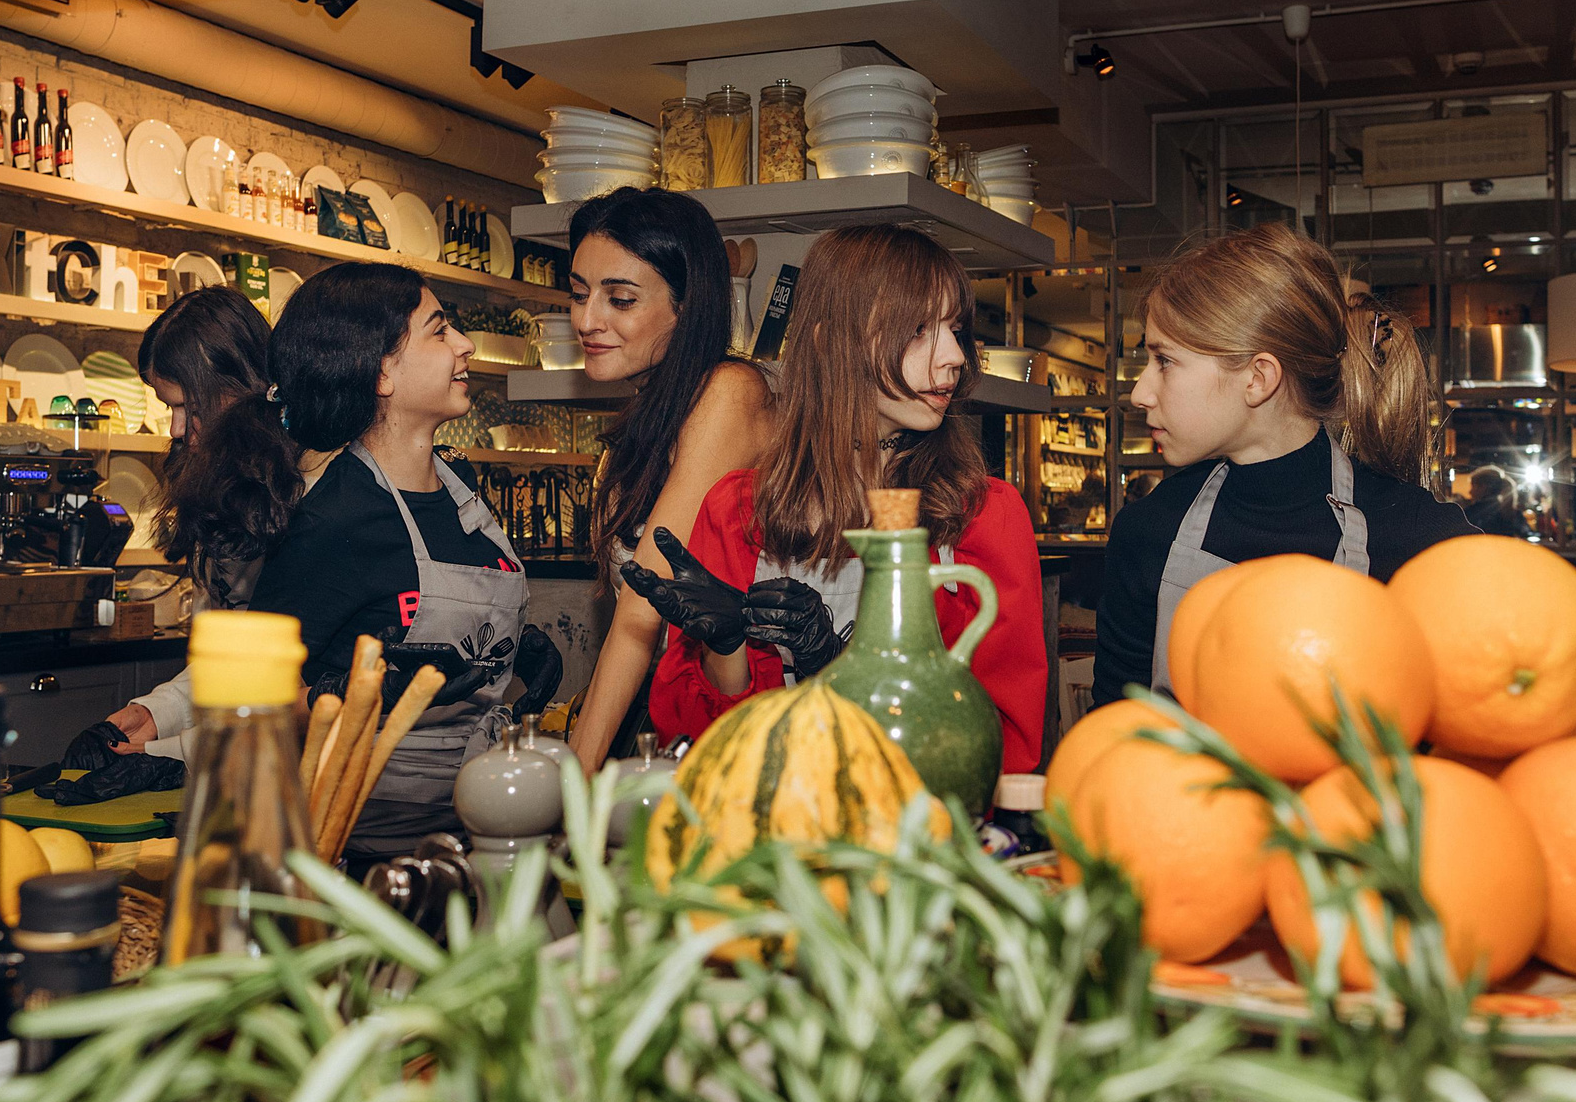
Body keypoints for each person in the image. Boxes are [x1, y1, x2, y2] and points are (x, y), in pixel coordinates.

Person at [633, 225, 1047, 772]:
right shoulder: (737, 512)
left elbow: (1004, 747)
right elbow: (700, 751)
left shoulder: (981, 518)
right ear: (831, 342)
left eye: (955, 329)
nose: (953, 357)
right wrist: (726, 649)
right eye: (918, 329)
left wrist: (833, 666)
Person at [250, 264, 557, 867]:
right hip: (366, 854)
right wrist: (344, 697)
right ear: (382, 372)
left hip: (480, 832)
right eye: (439, 331)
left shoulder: (462, 489)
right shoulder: (337, 517)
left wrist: (511, 652)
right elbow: (252, 691)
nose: (465, 345)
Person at [1091, 225, 1471, 710]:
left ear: (1258, 378)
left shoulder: (1421, 541)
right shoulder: (1147, 532)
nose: (1140, 393)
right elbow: (1115, 736)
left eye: (1164, 361)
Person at [560, 190, 772, 770]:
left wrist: (576, 778)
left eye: (620, 299)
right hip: (673, 724)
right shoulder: (652, 413)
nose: (586, 320)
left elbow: (642, 608)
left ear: (687, 305)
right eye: (578, 294)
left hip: (734, 733)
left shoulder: (729, 392)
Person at [73, 288, 324, 765]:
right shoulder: (223, 481)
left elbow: (297, 675)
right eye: (169, 408)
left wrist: (171, 749)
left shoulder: (319, 486)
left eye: (188, 406)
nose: (174, 429)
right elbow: (234, 647)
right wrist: (159, 711)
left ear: (243, 382)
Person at [1464, 465, 1531, 538]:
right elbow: (1526, 533)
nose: (1470, 492)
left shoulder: (1473, 512)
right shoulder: (1513, 512)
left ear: (1483, 487)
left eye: (1473, 486)